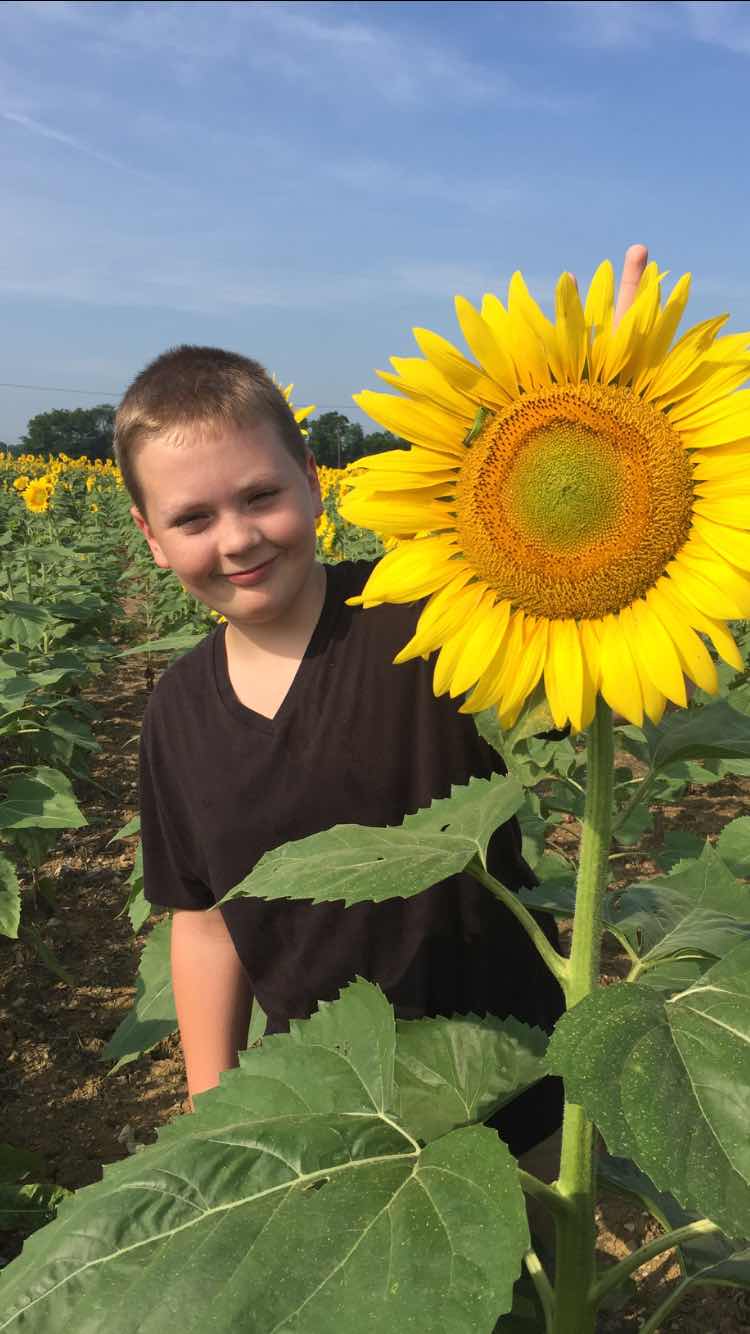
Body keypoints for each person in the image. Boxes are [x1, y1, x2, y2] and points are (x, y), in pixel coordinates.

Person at [116, 244, 648, 1165]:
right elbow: (201, 921)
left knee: (528, 1249)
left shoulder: (431, 610)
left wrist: (620, 405)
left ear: (314, 481)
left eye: (260, 496)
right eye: (193, 518)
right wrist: (212, 1105)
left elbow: (576, 654)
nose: (237, 539)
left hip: (516, 1077)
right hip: (337, 1107)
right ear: (151, 538)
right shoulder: (177, 713)